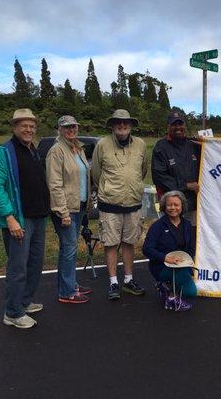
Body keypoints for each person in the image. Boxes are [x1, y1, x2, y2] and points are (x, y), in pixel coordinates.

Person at [0, 109, 50, 328]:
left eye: (32, 126)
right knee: (18, 267)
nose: (29, 129)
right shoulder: (3, 152)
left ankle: (23, 301)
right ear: (14, 127)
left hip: (38, 218)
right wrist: (9, 218)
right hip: (19, 220)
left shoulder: (33, 150)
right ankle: (12, 313)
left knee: (35, 264)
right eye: (24, 125)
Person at [91, 109, 148, 300]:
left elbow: (143, 170)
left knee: (129, 242)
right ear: (112, 125)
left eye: (126, 123)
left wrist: (133, 186)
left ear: (131, 125)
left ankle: (128, 280)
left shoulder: (140, 144)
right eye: (118, 123)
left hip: (133, 203)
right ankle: (113, 282)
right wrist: (109, 189)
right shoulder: (102, 144)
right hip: (109, 204)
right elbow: (97, 173)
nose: (122, 126)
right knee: (111, 243)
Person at [46, 115, 93, 304]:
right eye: (67, 127)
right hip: (65, 209)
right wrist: (62, 212)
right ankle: (66, 293)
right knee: (69, 249)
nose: (71, 130)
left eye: (74, 126)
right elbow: (54, 184)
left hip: (78, 205)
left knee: (69, 249)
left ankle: (70, 284)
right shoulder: (56, 151)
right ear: (60, 129)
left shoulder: (78, 148)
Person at [142, 191, 196, 311]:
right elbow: (146, 249)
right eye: (169, 205)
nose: (173, 208)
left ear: (182, 206)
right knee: (190, 291)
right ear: (164, 207)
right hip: (161, 266)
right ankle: (169, 293)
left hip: (181, 264)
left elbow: (191, 249)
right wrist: (165, 257)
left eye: (176, 205)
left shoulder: (187, 225)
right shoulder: (157, 226)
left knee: (190, 291)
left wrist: (190, 264)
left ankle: (167, 286)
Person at [152, 111, 200, 226]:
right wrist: (186, 185)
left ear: (185, 126)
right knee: (172, 239)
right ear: (168, 126)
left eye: (180, 124)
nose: (178, 127)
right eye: (174, 124)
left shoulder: (194, 145)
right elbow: (159, 177)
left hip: (193, 205)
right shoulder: (161, 147)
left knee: (191, 238)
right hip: (171, 206)